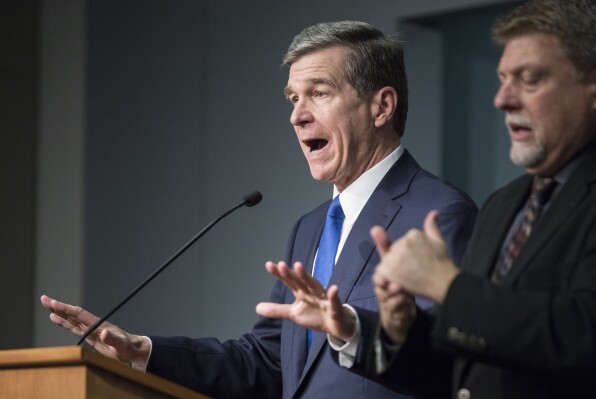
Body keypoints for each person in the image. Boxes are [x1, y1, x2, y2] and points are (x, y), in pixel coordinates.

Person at [40, 21, 477, 399]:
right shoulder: (309, 230)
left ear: (381, 106)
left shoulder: (438, 215)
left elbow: (448, 367)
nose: (297, 116)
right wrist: (142, 350)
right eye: (292, 98)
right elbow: (268, 364)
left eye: (318, 93)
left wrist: (354, 327)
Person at [257, 2, 596, 398]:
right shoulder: (506, 205)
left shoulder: (449, 210)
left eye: (530, 79)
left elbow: (584, 335)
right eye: (503, 79)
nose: (502, 99)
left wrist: (450, 290)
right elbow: (461, 370)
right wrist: (365, 330)